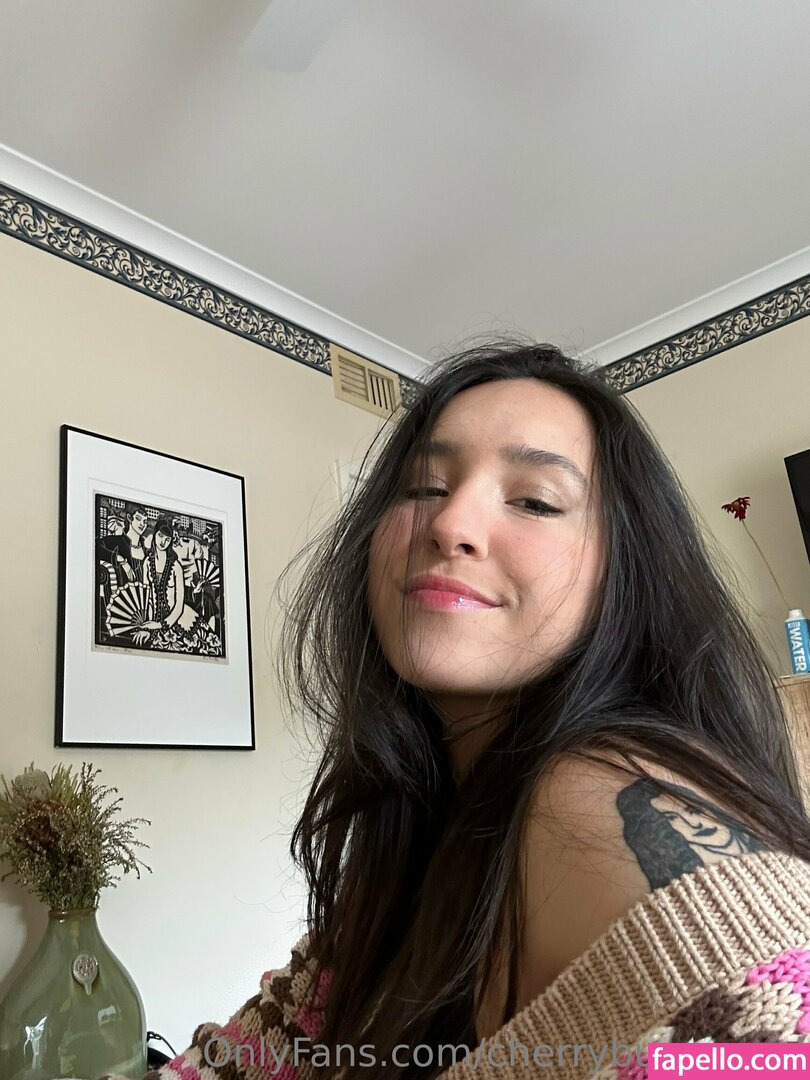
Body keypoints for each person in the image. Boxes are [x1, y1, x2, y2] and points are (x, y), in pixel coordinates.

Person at [102, 341, 810, 1080]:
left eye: (535, 501)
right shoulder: (399, 872)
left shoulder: (595, 786)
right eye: (424, 488)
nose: (449, 523)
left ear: (625, 573)